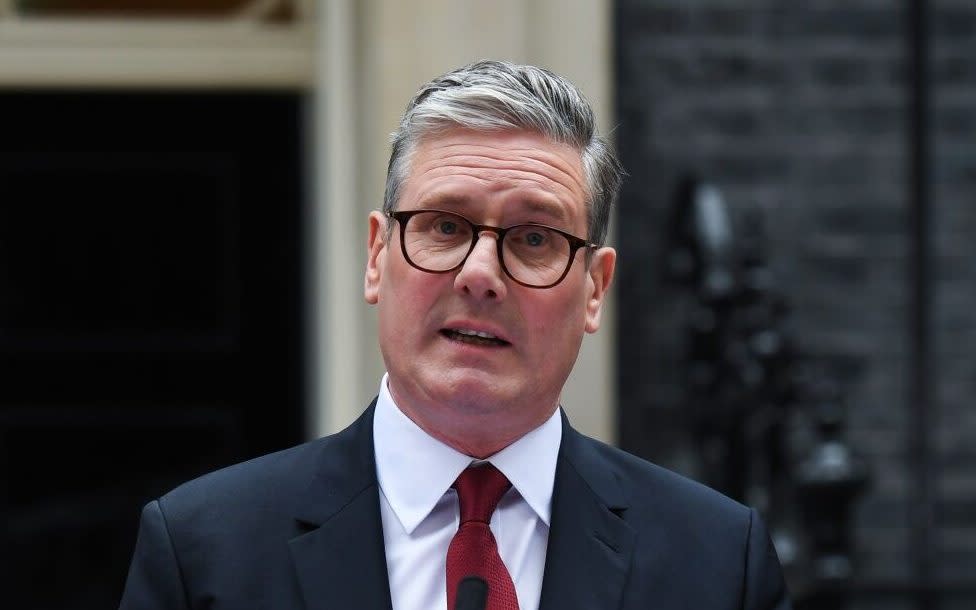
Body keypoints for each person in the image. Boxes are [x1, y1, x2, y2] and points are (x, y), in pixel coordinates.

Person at [119, 60, 791, 610]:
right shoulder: (205, 550)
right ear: (377, 255)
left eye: (534, 238)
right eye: (444, 226)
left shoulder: (717, 562)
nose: (480, 275)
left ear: (594, 288)